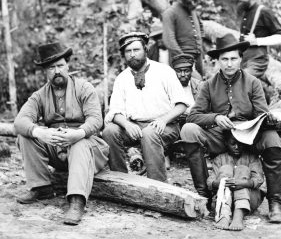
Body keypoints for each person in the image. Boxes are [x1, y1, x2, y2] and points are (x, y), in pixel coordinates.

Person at [180, 33, 281, 223]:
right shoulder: (208, 85)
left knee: (273, 140)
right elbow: (193, 115)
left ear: (240, 59)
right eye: (224, 59)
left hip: (249, 137)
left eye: (233, 59)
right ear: (217, 61)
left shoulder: (253, 82)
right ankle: (205, 195)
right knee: (188, 130)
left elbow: (262, 113)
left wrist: (261, 121)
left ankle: (274, 202)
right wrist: (216, 117)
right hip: (221, 137)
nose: (229, 64)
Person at [14, 42, 109, 225]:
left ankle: (76, 200)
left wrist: (78, 133)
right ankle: (41, 187)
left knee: (80, 142)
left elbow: (96, 120)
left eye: (60, 66)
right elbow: (20, 121)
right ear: (45, 71)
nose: (57, 71)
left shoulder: (84, 88)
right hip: (58, 148)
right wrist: (39, 132)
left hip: (89, 148)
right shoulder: (39, 95)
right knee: (25, 135)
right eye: (51, 67)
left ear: (68, 66)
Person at [102, 32, 189, 182]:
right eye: (128, 51)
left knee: (150, 133)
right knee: (110, 131)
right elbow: (115, 111)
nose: (132, 55)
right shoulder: (122, 78)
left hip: (165, 125)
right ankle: (120, 180)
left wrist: (163, 120)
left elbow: (181, 104)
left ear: (145, 50)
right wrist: (126, 124)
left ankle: (158, 186)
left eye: (136, 50)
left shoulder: (164, 71)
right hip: (134, 125)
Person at [235, 0, 281, 79]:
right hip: (243, 60)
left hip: (257, 62)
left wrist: (257, 41)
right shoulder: (246, 12)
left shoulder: (263, 12)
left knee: (240, 83)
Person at [208, 134, 264, 231]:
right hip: (221, 202)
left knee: (242, 169)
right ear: (226, 143)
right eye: (233, 144)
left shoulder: (252, 158)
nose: (237, 147)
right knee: (226, 169)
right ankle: (224, 215)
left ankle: (238, 215)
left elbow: (258, 180)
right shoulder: (220, 159)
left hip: (249, 202)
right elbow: (210, 182)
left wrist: (242, 183)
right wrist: (223, 182)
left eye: (240, 144)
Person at [171, 53, 201, 127]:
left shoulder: (200, 86)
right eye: (178, 71)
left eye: (186, 71)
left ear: (191, 71)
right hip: (173, 125)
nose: (183, 74)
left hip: (195, 124)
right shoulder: (167, 86)